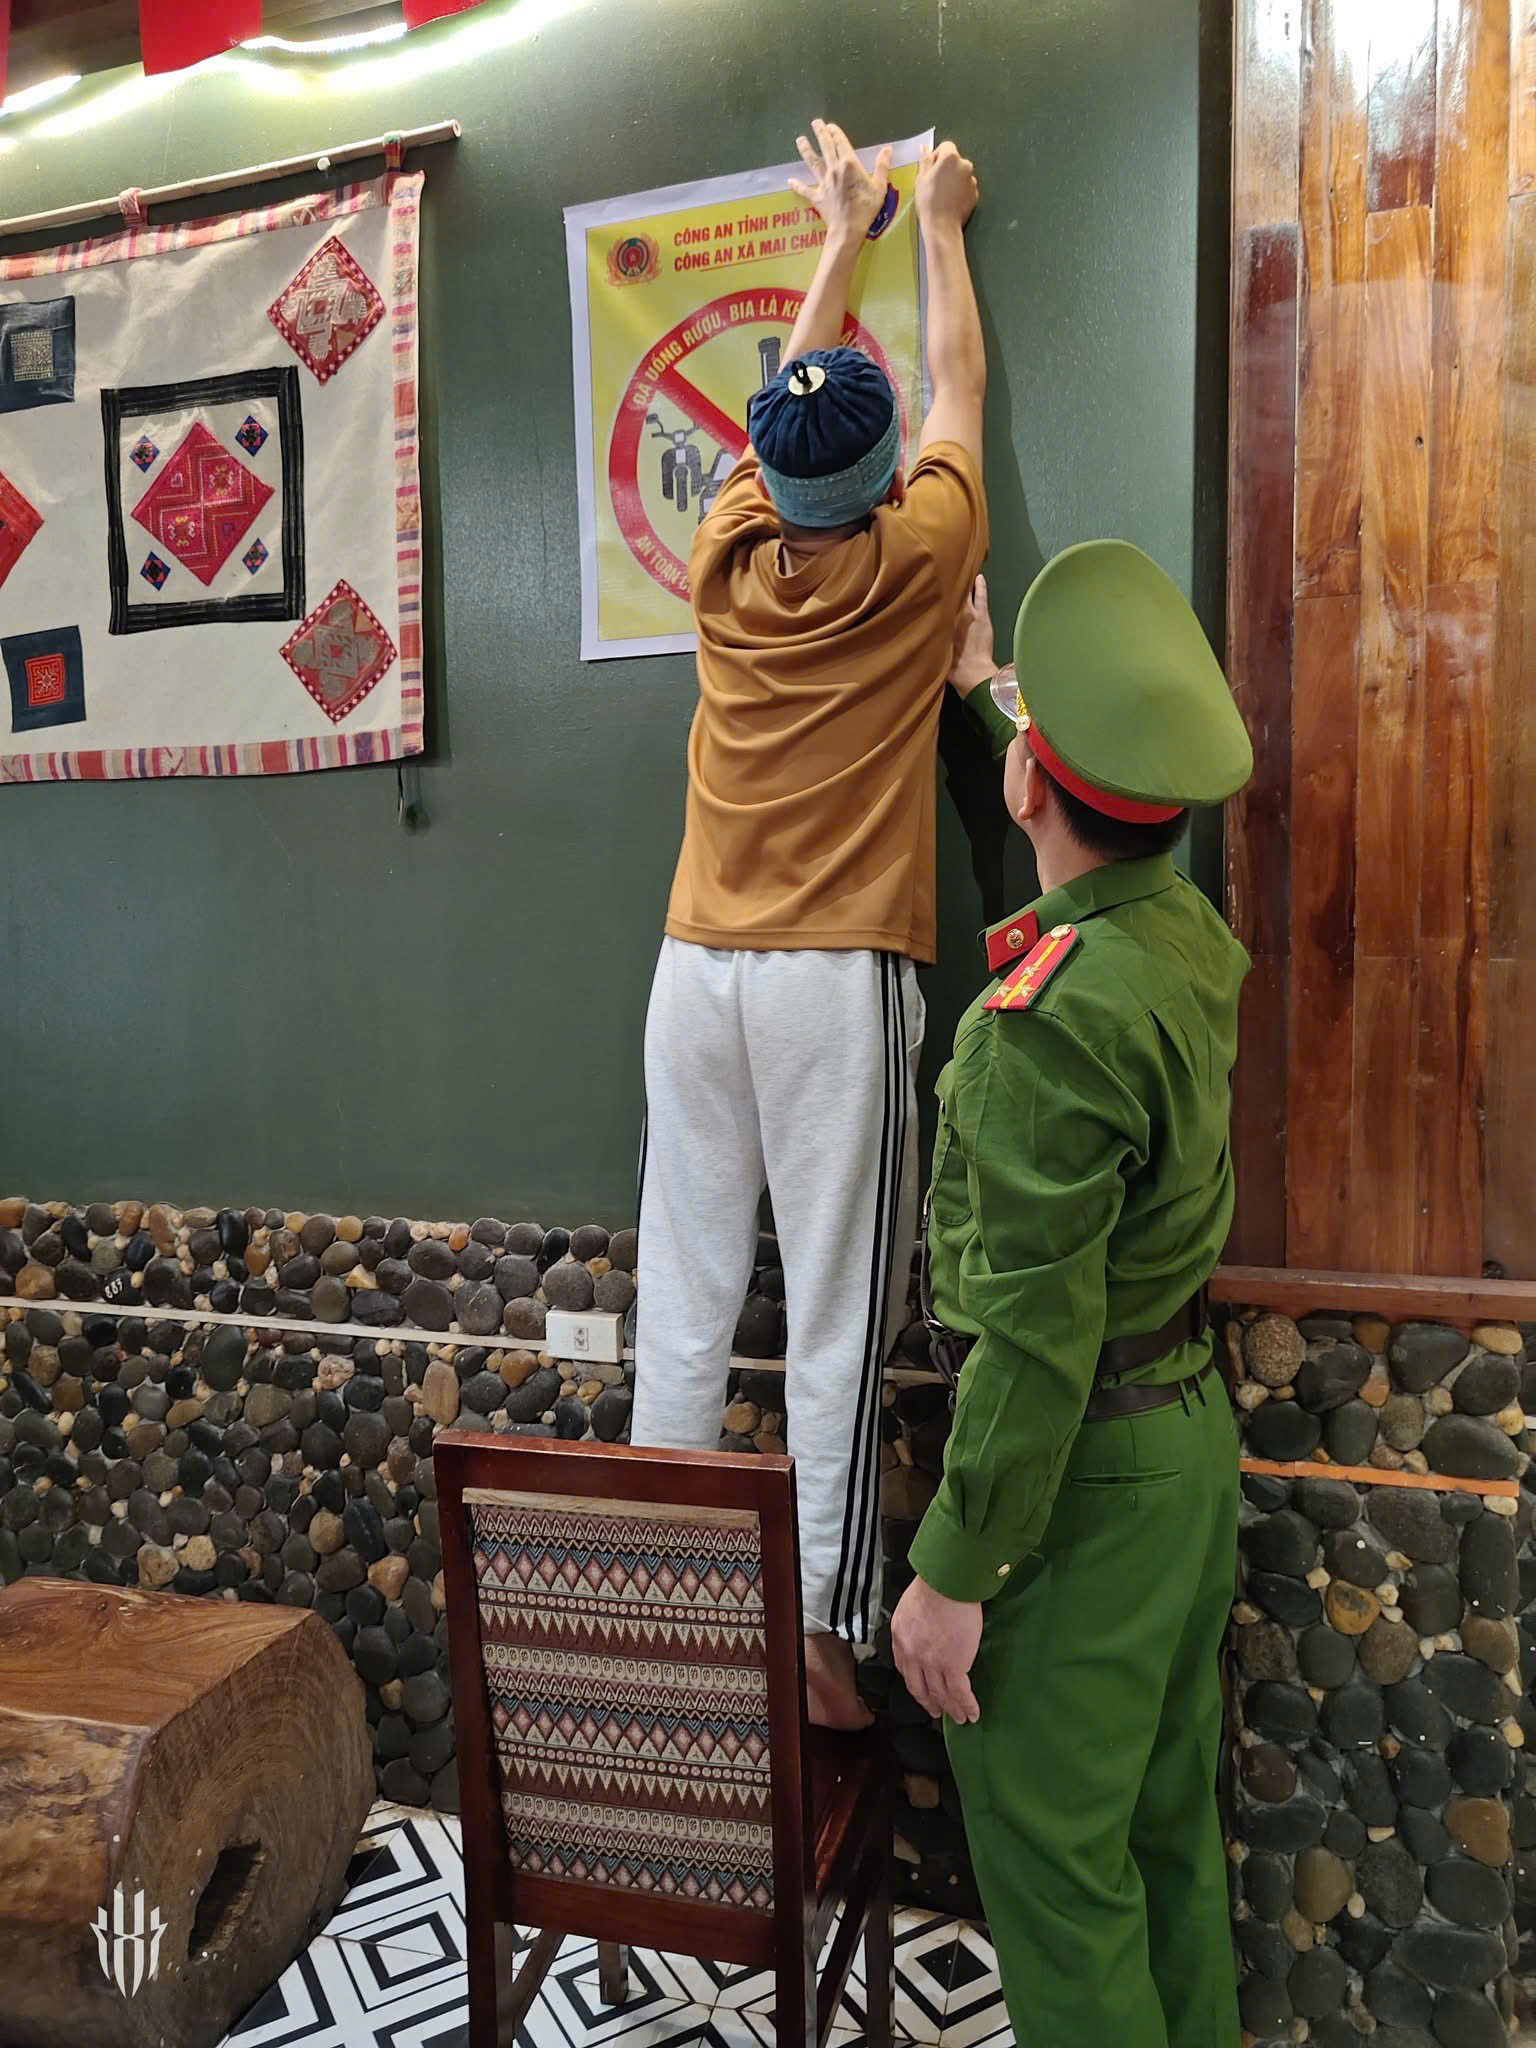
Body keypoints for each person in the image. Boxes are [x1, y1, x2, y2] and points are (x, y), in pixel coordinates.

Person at [631, 120, 989, 1730]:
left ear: (767, 478)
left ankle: (664, 1623)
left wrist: (840, 232)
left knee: (685, 1295)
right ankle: (821, 1640)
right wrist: (941, 227)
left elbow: (791, 381)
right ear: (882, 468)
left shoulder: (722, 554)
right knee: (835, 1313)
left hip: (693, 973)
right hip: (831, 981)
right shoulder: (920, 558)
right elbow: (958, 390)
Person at [891, 544, 1254, 2046]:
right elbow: (1107, 814)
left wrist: (955, 1573)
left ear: (1030, 788)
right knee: (1166, 1845)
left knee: (1059, 1884)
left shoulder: (1036, 1029)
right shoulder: (1186, 935)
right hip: (1185, 1456)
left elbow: (1034, 1343)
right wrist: (993, 690)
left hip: (1076, 1488)